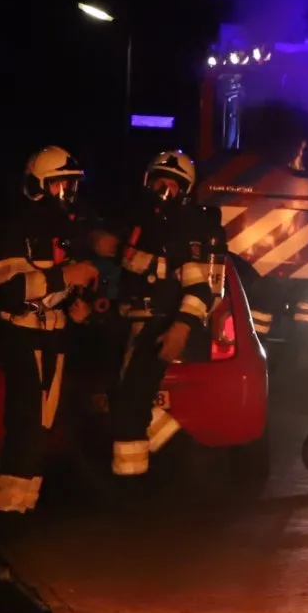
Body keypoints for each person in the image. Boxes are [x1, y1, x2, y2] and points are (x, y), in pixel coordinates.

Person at [0, 146, 98, 514]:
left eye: (71, 186)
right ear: (38, 186)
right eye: (60, 185)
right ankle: (4, 509)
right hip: (21, 335)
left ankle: (24, 505)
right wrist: (66, 275)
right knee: (26, 423)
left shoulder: (66, 231)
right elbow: (10, 290)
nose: (67, 194)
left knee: (43, 424)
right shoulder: (13, 227)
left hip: (55, 335)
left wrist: (78, 309)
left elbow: (61, 288)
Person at [106, 149, 225, 476]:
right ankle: (188, 458)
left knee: (129, 407)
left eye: (172, 185)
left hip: (157, 323)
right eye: (159, 181)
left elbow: (199, 289)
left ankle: (132, 484)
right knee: (125, 400)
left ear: (184, 191)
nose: (163, 190)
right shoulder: (139, 221)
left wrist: (180, 328)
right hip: (128, 323)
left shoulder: (186, 227)